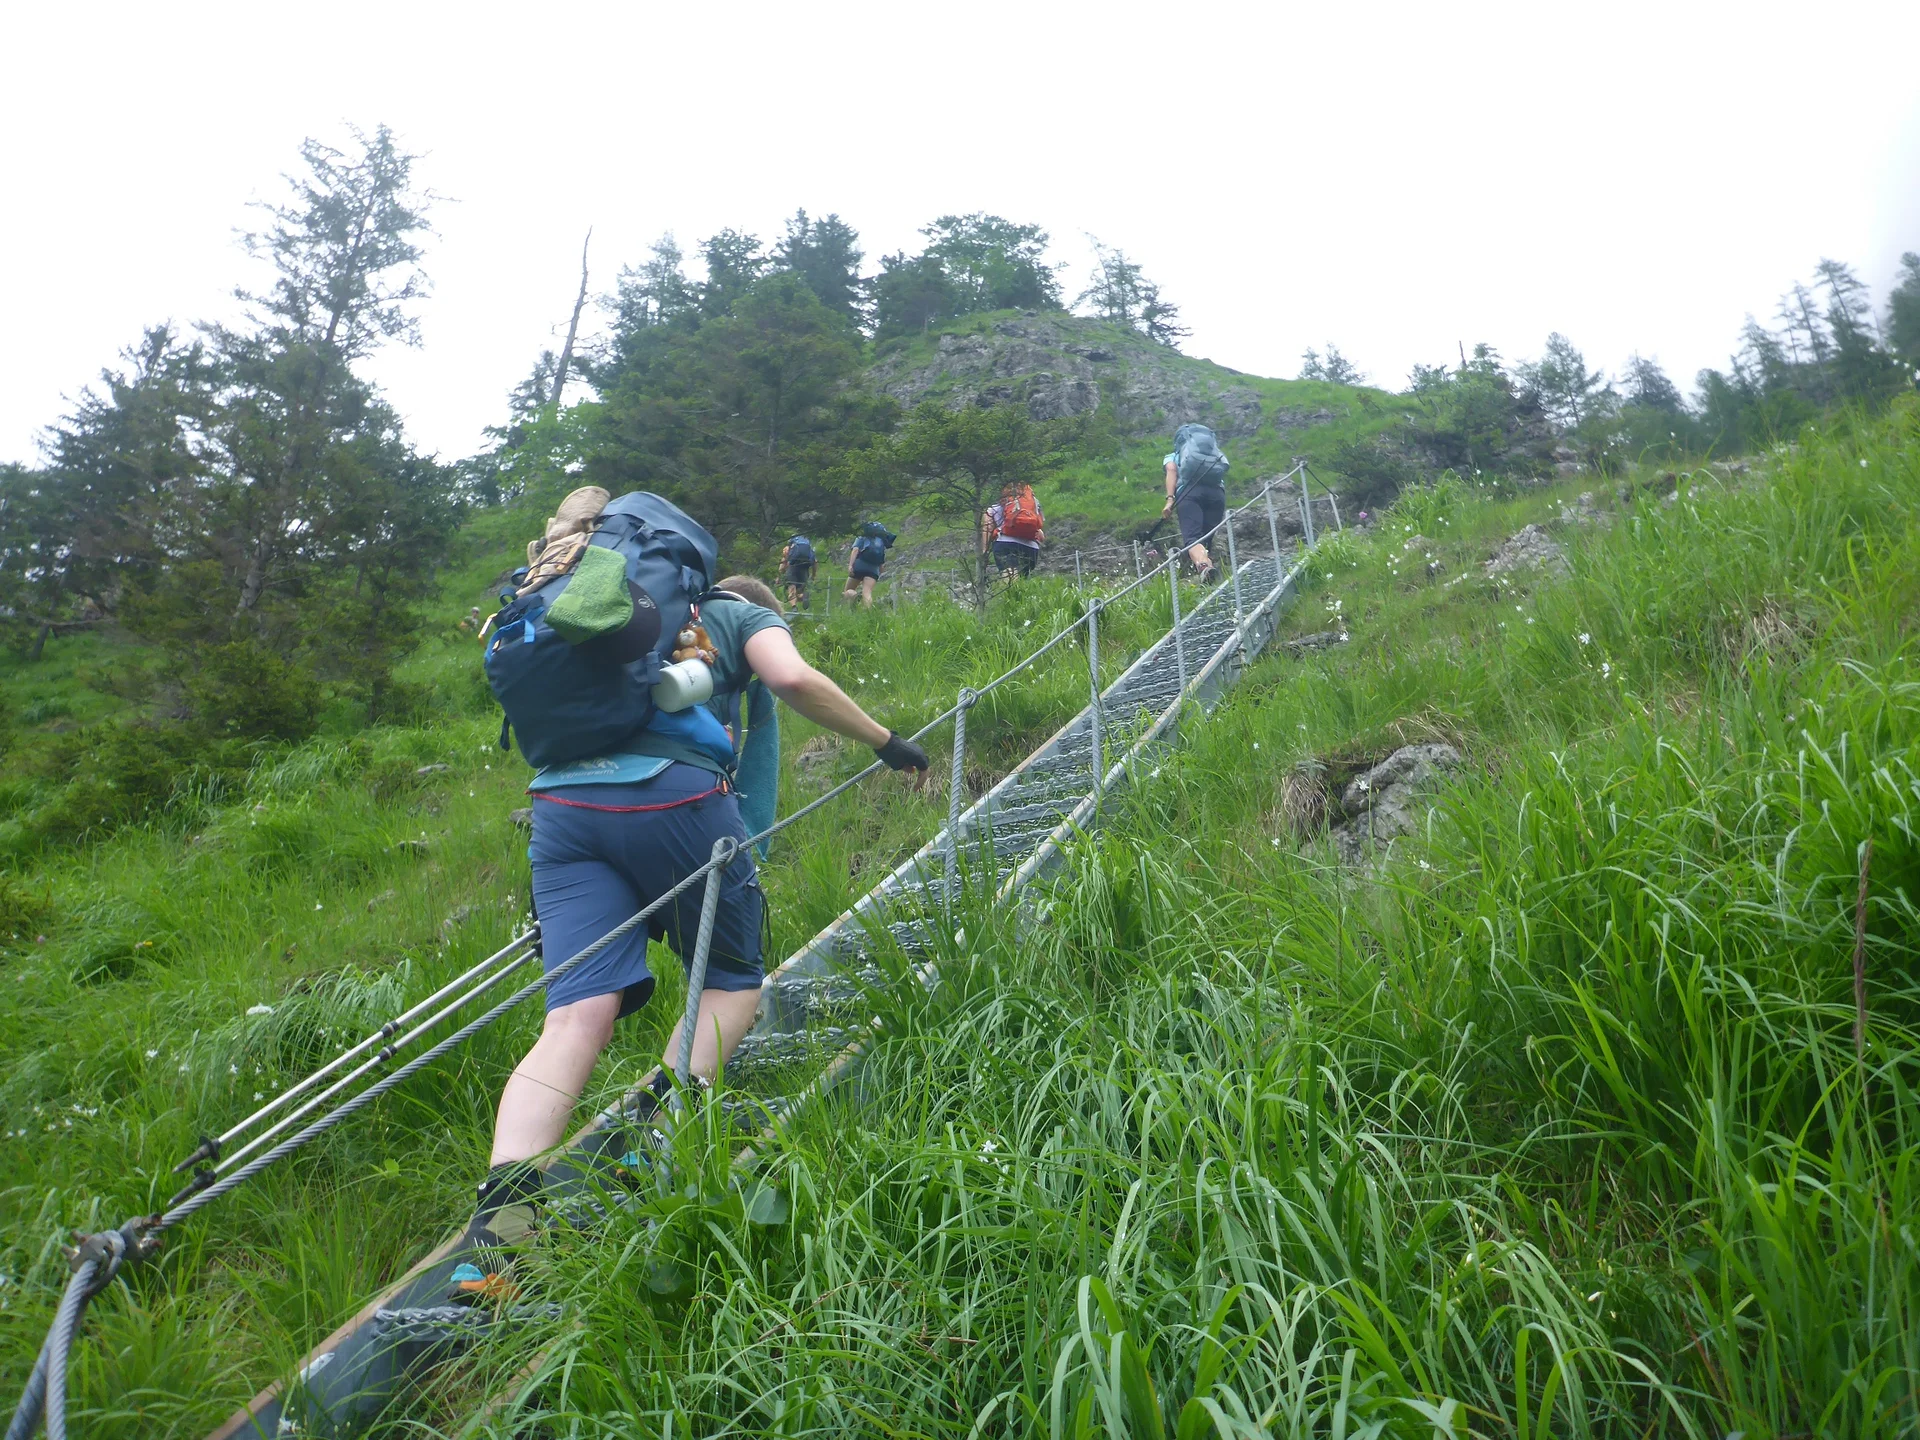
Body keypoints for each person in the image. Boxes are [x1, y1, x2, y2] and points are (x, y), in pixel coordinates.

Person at [468, 570, 929, 1245]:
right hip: (676, 802)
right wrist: (886, 742)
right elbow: (793, 680)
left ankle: (499, 1227)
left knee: (571, 1018)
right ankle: (649, 1140)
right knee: (729, 982)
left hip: (562, 811)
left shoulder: (630, 618)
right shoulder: (740, 618)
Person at [1161, 424, 1227, 584]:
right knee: (1206, 537)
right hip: (1217, 494)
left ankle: (1204, 567)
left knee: (1193, 538)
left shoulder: (1174, 456)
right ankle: (1208, 570)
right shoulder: (1212, 453)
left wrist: (1170, 500)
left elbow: (1171, 470)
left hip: (1190, 493)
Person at [980, 482, 1044, 580]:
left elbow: (987, 529)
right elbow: (1041, 536)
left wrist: (984, 551)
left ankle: (1009, 594)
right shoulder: (1032, 506)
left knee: (1009, 576)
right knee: (1022, 581)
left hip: (1006, 544)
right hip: (1031, 548)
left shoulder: (993, 510)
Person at [843, 521, 896, 608]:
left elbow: (855, 550)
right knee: (867, 593)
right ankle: (868, 614)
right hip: (873, 569)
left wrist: (850, 565)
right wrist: (880, 572)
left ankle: (851, 602)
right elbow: (881, 562)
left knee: (848, 590)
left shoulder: (862, 537)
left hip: (859, 566)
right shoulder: (881, 543)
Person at [779, 534, 816, 610]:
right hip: (804, 569)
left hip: (792, 569)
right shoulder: (808, 549)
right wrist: (813, 575)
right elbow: (815, 561)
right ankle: (803, 596)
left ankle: (794, 607)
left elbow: (783, 562)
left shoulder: (788, 548)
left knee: (791, 589)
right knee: (799, 591)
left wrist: (781, 572)